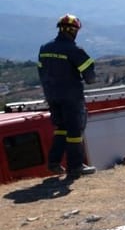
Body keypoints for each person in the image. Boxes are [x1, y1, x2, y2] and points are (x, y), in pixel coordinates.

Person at [38, 14, 98, 180]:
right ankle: (76, 167)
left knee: (61, 129)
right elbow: (91, 78)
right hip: (71, 97)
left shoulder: (45, 48)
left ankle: (54, 162)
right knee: (75, 132)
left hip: (52, 96)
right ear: (74, 31)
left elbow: (41, 71)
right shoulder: (74, 50)